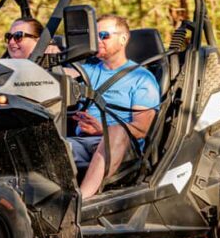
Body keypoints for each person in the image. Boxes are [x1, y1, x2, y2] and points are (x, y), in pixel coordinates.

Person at [66, 14, 160, 200]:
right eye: (95, 37)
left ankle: (81, 200)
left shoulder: (141, 78)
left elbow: (141, 130)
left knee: (118, 131)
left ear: (123, 39)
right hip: (81, 142)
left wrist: (101, 129)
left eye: (104, 35)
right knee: (47, 143)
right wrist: (50, 58)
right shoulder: (88, 70)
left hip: (121, 148)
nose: (98, 41)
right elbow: (55, 76)